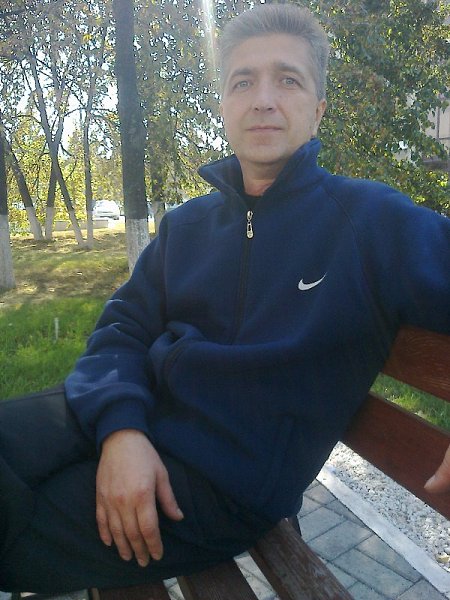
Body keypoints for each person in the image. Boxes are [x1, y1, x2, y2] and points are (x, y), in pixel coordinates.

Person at [1, 3, 450, 594]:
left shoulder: (370, 222)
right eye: (243, 81)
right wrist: (122, 430)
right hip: (127, 416)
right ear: (223, 105)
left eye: (287, 80)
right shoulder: (187, 226)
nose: (263, 99)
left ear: (318, 109)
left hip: (219, 485)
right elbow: (123, 328)